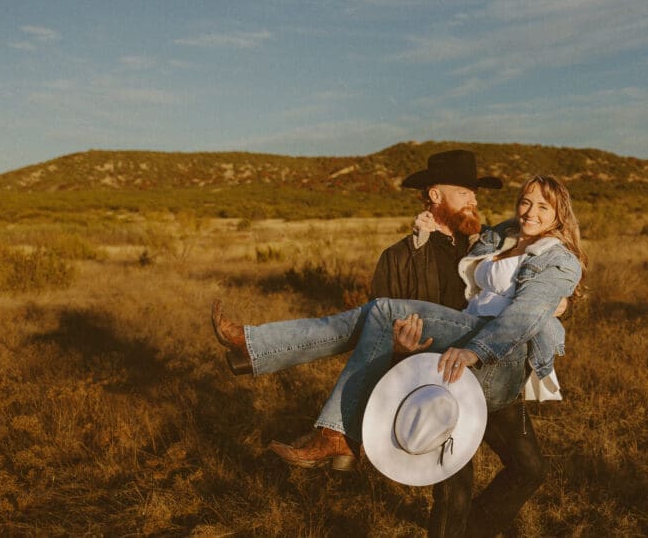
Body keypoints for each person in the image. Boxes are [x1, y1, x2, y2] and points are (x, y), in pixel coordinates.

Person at [213, 166, 584, 536]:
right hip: (447, 359)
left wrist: (482, 347)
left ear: (559, 215)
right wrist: (422, 239)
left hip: (492, 357)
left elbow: (525, 312)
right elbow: (480, 248)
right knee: (505, 471)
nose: (529, 212)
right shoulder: (500, 237)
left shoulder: (555, 257)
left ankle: (329, 422)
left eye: (543, 207)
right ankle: (254, 349)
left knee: (383, 310)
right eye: (525, 202)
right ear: (435, 196)